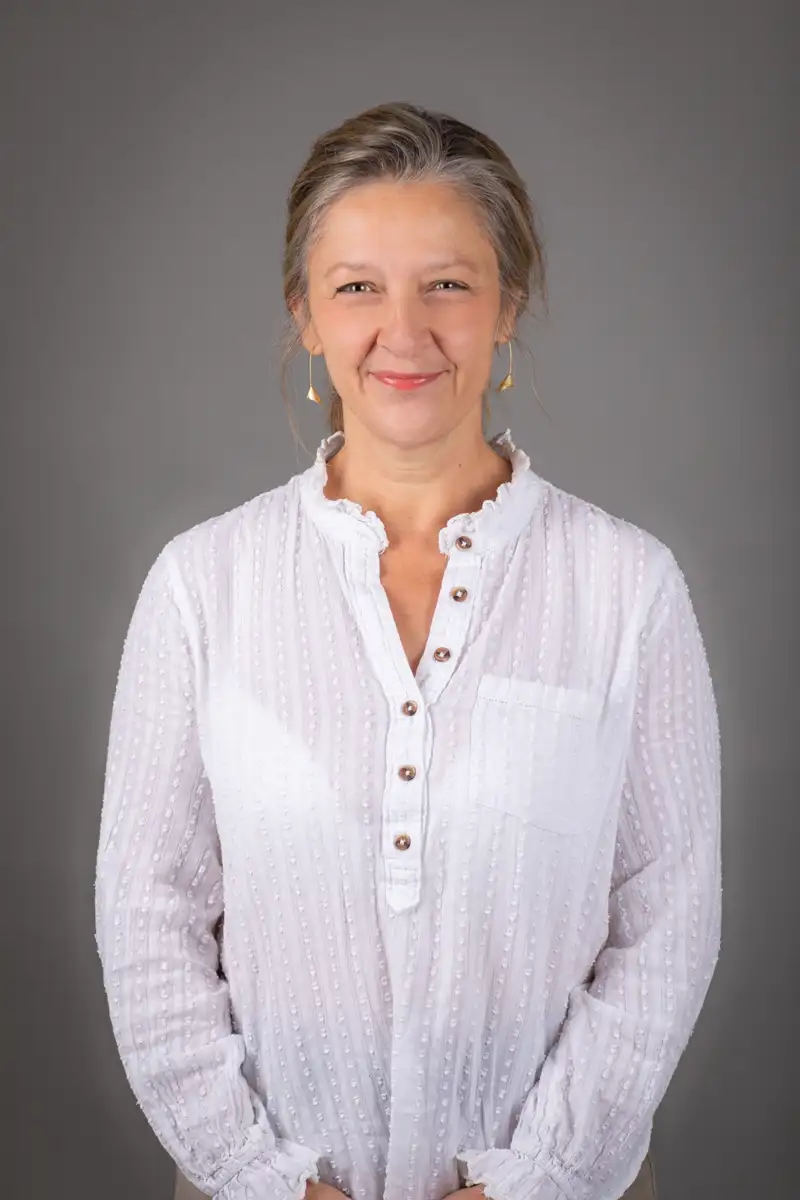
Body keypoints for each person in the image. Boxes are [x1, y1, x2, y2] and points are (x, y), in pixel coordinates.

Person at [94, 101, 721, 1200]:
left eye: (447, 283)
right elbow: (147, 913)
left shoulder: (626, 589)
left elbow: (667, 918)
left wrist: (539, 1176)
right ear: (303, 315)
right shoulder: (204, 586)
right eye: (355, 287)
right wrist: (257, 1174)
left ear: (506, 304)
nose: (404, 331)